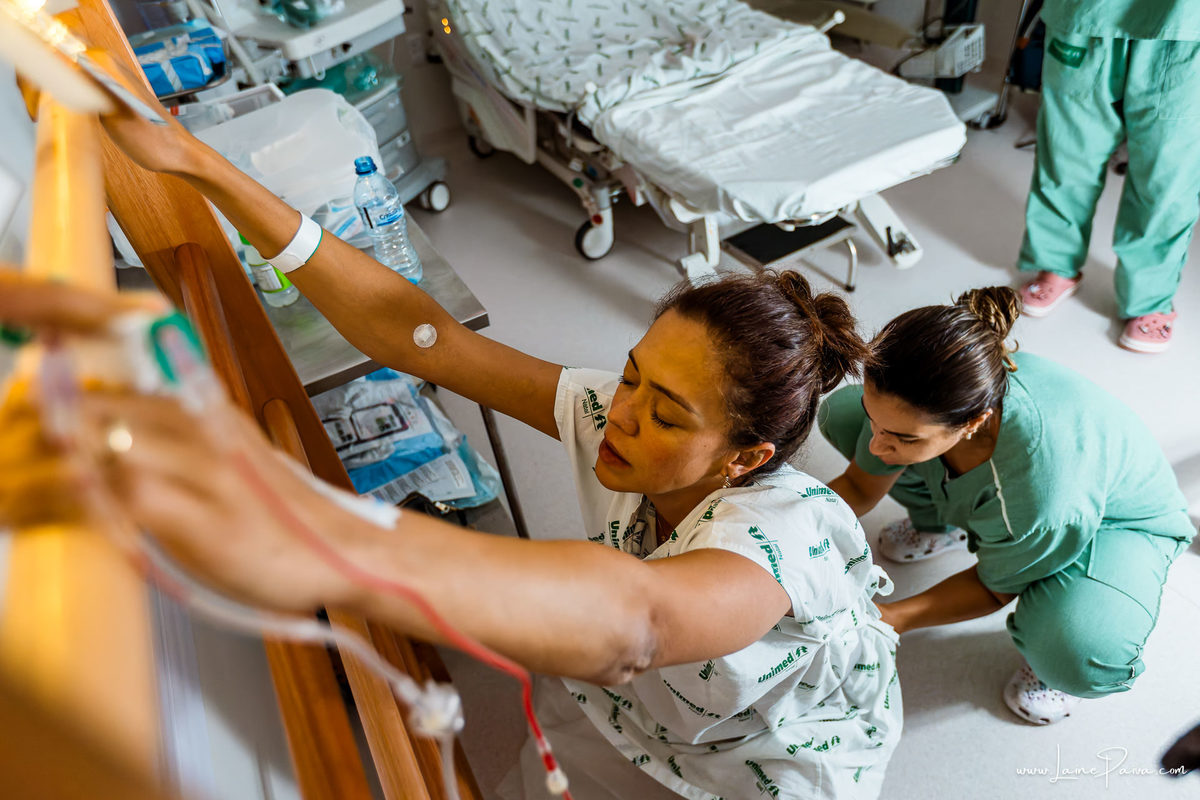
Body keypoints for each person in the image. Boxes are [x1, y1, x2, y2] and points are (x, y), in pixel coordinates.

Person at [0, 91, 903, 799]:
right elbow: (420, 338)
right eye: (632, 375)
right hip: (637, 717)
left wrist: (311, 537)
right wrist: (202, 167)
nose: (622, 415)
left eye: (667, 414)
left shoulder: (777, 536)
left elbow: (640, 623)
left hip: (761, 767)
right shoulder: (616, 413)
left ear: (745, 458)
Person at [818, 287, 1194, 725]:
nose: (878, 445)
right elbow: (859, 485)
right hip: (1042, 498)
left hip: (1117, 522)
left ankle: (1055, 659)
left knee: (1080, 647)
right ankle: (943, 524)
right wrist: (786, 530)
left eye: (904, 437)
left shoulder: (1039, 492)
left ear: (973, 422)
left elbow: (993, 589)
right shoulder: (937, 393)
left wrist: (887, 617)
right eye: (877, 420)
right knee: (842, 414)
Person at [1015, 0, 1200, 352]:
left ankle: (1150, 298)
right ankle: (1056, 262)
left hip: (1186, 26)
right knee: (1066, 153)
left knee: (1168, 178)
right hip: (1087, 13)